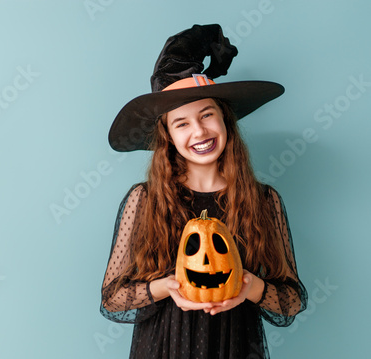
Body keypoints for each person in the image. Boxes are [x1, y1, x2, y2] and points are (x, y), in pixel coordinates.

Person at [100, 24, 307, 359]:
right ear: (168, 135)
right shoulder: (145, 200)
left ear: (225, 121)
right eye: (182, 123)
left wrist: (248, 288)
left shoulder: (264, 200)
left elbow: (291, 301)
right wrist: (166, 287)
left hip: (233, 347)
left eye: (207, 115)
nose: (199, 131)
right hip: (162, 348)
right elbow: (113, 298)